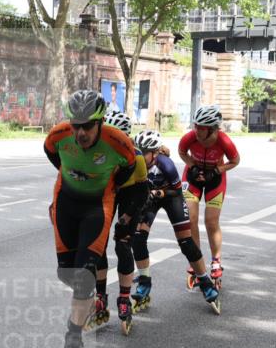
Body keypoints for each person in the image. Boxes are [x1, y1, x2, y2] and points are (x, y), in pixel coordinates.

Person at [44, 90, 137, 348]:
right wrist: (72, 176)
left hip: (98, 207)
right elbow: (51, 154)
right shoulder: (58, 136)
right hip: (66, 203)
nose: (81, 132)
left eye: (87, 126)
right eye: (76, 125)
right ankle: (86, 298)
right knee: (65, 273)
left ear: (100, 122)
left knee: (83, 276)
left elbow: (129, 168)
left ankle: (74, 335)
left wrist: (108, 186)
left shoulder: (118, 143)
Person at [131, 130, 219, 306]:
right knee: (138, 238)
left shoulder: (166, 164)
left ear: (155, 153)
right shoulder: (135, 162)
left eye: (144, 153)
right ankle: (144, 281)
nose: (139, 156)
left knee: (186, 242)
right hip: (152, 198)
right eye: (137, 151)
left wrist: (160, 192)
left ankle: (205, 282)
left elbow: (177, 191)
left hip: (172, 197)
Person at [89, 111, 149, 334]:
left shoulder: (137, 155)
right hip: (109, 193)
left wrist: (128, 216)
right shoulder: (98, 152)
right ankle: (100, 297)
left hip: (131, 195)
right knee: (99, 245)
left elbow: (143, 190)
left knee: (122, 243)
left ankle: (124, 298)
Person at [178, 105, 240, 282]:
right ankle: (196, 260)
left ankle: (216, 261)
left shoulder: (224, 141)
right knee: (190, 219)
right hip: (192, 177)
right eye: (196, 126)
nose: (196, 130)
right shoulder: (190, 137)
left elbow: (235, 160)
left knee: (211, 222)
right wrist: (193, 166)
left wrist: (217, 170)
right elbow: (182, 152)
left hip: (215, 179)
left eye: (201, 128)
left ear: (212, 128)